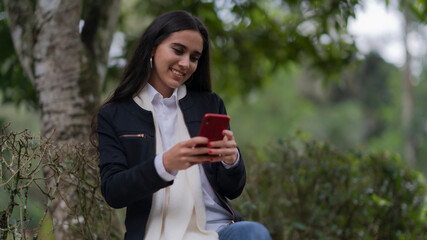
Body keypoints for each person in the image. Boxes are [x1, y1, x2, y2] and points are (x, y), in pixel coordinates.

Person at [92, 10, 271, 240]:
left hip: (218, 230)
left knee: (254, 233)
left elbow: (232, 190)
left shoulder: (209, 104)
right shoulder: (114, 115)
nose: (185, 63)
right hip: (155, 233)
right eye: (178, 51)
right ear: (153, 47)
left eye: (194, 57)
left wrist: (231, 160)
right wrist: (164, 164)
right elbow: (113, 192)